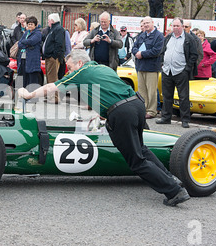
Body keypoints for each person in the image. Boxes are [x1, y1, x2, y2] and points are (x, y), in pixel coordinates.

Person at [18, 50, 190, 206]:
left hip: (122, 113)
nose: (68, 72)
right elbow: (111, 92)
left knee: (136, 161)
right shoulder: (103, 68)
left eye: (69, 68)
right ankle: (172, 180)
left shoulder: (81, 72)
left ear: (79, 63)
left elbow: (51, 87)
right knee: (142, 150)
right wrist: (105, 113)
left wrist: (29, 94)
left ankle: (174, 191)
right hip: (136, 106)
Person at [156, 17, 198, 128]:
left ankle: (185, 120)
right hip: (167, 70)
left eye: (177, 26)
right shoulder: (168, 37)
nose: (175, 28)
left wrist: (187, 68)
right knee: (166, 96)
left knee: (183, 97)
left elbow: (194, 55)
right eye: (173, 26)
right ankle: (166, 117)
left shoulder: (189, 38)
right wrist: (162, 63)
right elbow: (162, 51)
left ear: (182, 26)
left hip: (181, 71)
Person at [131, 16, 164, 119]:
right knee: (142, 91)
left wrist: (142, 54)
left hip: (152, 68)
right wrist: (137, 53)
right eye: (144, 23)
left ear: (152, 23)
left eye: (147, 23)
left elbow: (157, 51)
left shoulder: (159, 36)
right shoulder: (141, 35)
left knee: (151, 91)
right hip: (140, 66)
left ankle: (152, 111)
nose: (145, 25)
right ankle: (143, 109)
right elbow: (134, 47)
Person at [42, 13, 66, 103]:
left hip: (53, 57)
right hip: (49, 56)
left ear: (52, 21)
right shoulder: (53, 29)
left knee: (53, 78)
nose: (48, 22)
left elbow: (59, 44)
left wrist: (54, 55)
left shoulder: (58, 29)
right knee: (49, 77)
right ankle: (50, 96)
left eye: (48, 20)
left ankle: (54, 98)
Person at [17, 16, 43, 88]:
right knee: (24, 78)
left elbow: (31, 41)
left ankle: (33, 96)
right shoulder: (26, 33)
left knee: (32, 79)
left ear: (35, 25)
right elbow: (19, 44)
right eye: (29, 24)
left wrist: (24, 42)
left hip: (32, 59)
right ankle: (25, 95)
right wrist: (26, 44)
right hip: (23, 58)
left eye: (31, 24)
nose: (30, 26)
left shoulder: (37, 33)